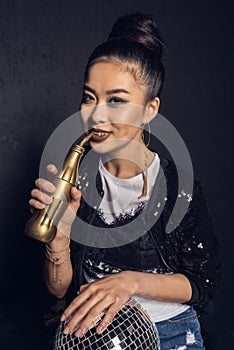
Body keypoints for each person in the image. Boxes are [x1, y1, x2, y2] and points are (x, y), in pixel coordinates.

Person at [29, 12, 220, 350]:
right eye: (89, 97)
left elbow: (200, 285)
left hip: (170, 333)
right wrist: (58, 245)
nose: (96, 115)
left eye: (116, 100)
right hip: (94, 333)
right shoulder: (79, 181)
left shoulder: (179, 188)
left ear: (150, 109)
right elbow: (58, 290)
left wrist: (127, 283)